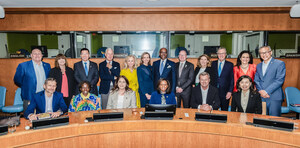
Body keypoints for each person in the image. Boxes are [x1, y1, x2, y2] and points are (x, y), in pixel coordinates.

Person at [254, 46, 286, 116]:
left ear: (270, 52)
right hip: (261, 96)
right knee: (262, 120)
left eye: (266, 52)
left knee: (274, 120)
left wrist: (266, 91)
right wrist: (261, 91)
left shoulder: (279, 63)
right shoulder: (259, 65)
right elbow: (256, 80)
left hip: (274, 97)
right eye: (261, 53)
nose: (264, 55)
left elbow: (279, 80)